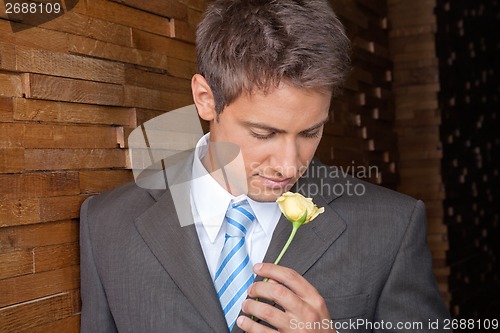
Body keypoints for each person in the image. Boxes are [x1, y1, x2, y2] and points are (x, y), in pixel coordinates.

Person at [79, 0, 452, 332]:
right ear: (206, 99)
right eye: (263, 132)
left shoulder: (392, 226)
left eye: (310, 132)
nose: (289, 166)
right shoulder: (107, 225)